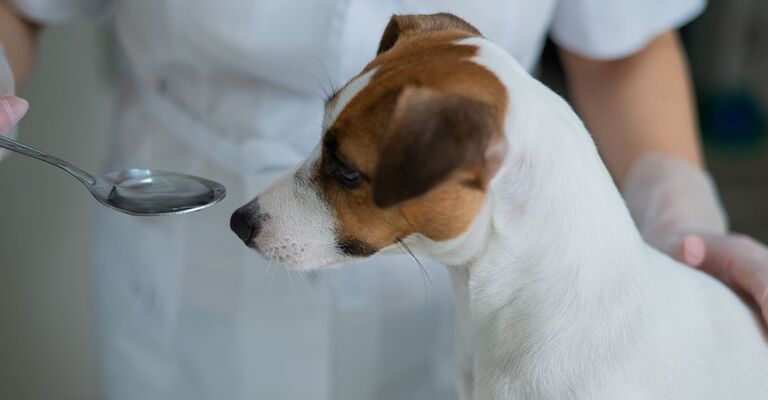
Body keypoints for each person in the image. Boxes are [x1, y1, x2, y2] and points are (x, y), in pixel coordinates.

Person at [0, 0, 766, 399]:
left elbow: (625, 38)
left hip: (431, 329)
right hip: (183, 295)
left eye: (349, 175)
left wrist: (684, 222)